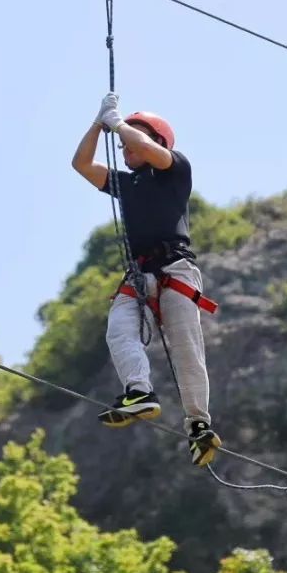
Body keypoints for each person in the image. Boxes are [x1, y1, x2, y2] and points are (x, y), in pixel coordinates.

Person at [71, 92, 221, 467]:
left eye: (130, 141)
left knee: (186, 347)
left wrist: (119, 123)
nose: (123, 148)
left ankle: (199, 425)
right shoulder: (126, 183)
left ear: (157, 141)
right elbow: (82, 163)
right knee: (119, 330)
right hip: (139, 275)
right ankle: (138, 391)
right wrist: (98, 123)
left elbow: (143, 145)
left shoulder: (176, 169)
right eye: (120, 145)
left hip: (175, 269)